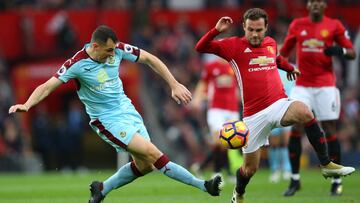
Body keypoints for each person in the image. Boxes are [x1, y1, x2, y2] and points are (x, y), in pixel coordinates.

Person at [8, 25, 222, 203]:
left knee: (145, 165)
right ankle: (204, 186)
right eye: (108, 51)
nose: (113, 54)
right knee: (153, 153)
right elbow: (47, 86)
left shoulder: (117, 49)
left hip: (128, 111)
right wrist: (27, 104)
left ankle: (102, 188)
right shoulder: (76, 64)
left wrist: (174, 84)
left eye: (114, 50)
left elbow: (150, 59)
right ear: (94, 46)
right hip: (106, 120)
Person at [195, 8, 355, 203]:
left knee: (305, 111)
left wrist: (289, 68)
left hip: (278, 104)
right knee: (249, 169)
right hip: (254, 116)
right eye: (251, 30)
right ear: (244, 27)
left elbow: (275, 58)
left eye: (259, 30)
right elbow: (200, 47)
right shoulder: (233, 46)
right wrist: (216, 30)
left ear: (266, 28)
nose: (255, 34)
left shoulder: (270, 43)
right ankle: (239, 193)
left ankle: (326, 164)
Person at [280, 0, 356, 196]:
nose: (315, 5)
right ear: (308, 5)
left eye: (319, 2)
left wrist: (340, 51)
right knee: (295, 127)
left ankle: (336, 180)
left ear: (324, 5)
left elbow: (352, 53)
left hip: (325, 86)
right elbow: (283, 54)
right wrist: (286, 67)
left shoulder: (334, 25)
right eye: (312, 1)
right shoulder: (297, 25)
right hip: (302, 85)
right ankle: (295, 180)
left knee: (329, 128)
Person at [191, 54, 240, 177]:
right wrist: (197, 98)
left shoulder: (235, 66)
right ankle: (217, 172)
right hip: (216, 109)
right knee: (219, 141)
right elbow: (203, 83)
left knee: (228, 144)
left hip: (232, 109)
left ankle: (203, 168)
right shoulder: (211, 66)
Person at [268, 70, 293, 183]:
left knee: (286, 141)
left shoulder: (292, 69)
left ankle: (287, 169)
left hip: (288, 108)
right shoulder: (271, 68)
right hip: (273, 108)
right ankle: (275, 170)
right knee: (274, 143)